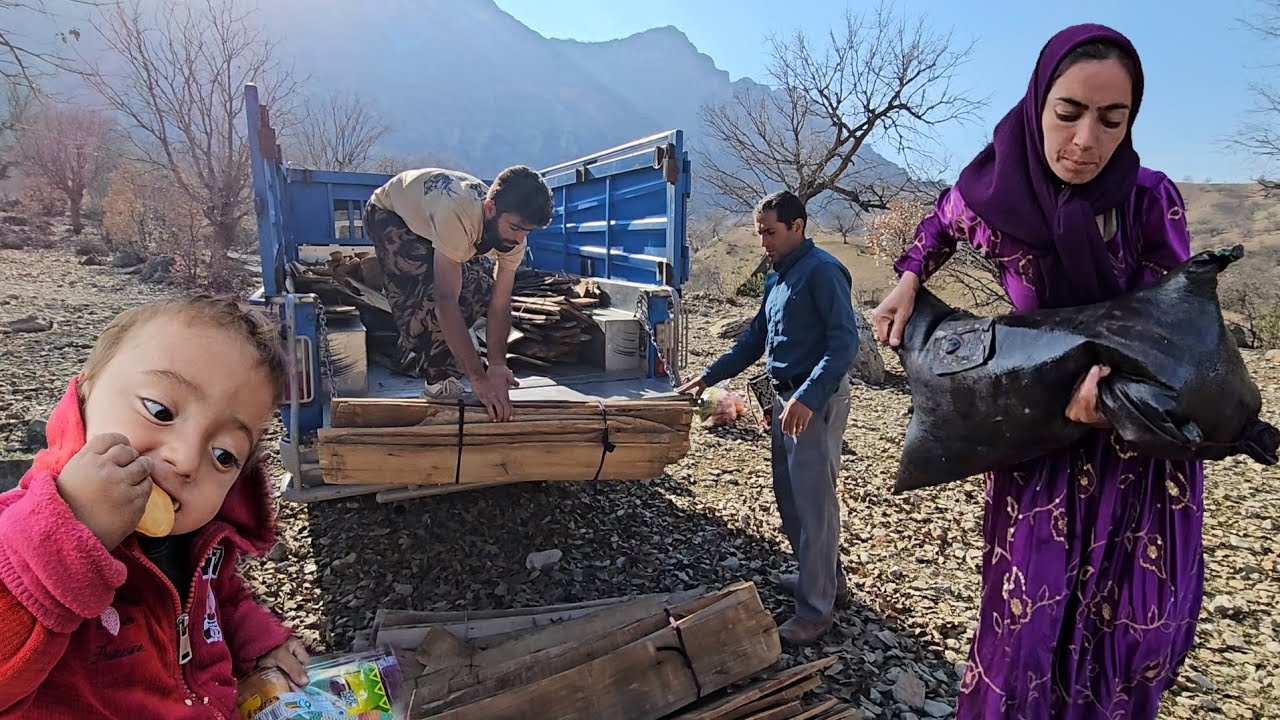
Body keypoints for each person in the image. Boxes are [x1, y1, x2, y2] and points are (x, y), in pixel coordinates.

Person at [873, 24, 1201, 719]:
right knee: (1027, 631)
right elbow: (940, 219)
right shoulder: (995, 196)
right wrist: (907, 279)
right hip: (1035, 446)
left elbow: (1174, 329)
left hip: (1133, 457)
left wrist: (1113, 400)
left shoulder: (1148, 202)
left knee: (1125, 640)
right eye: (1069, 113)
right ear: (1036, 103)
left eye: (1113, 121)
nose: (1087, 142)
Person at [0, 295, 309, 718]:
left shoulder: (195, 540)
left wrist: (259, 643)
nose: (185, 460)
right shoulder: (18, 544)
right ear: (84, 393)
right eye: (161, 411)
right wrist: (72, 534)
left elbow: (218, 599)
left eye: (223, 456)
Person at [678, 190, 858, 647]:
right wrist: (707, 377)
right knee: (791, 497)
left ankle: (816, 612)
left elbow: (843, 345)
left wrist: (809, 397)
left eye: (770, 232)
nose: (763, 242)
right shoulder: (778, 279)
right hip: (782, 400)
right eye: (759, 232)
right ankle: (823, 581)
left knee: (815, 505)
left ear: (798, 226)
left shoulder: (824, 273)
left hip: (812, 403)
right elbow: (753, 341)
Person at [364, 165, 555, 421]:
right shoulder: (457, 214)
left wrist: (497, 366)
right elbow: (446, 300)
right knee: (431, 293)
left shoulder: (512, 233)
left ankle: (423, 349)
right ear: (490, 210)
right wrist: (477, 377)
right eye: (515, 228)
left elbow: (500, 301)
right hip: (390, 215)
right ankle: (437, 381)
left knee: (481, 288)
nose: (519, 239)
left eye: (526, 231)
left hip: (436, 223)